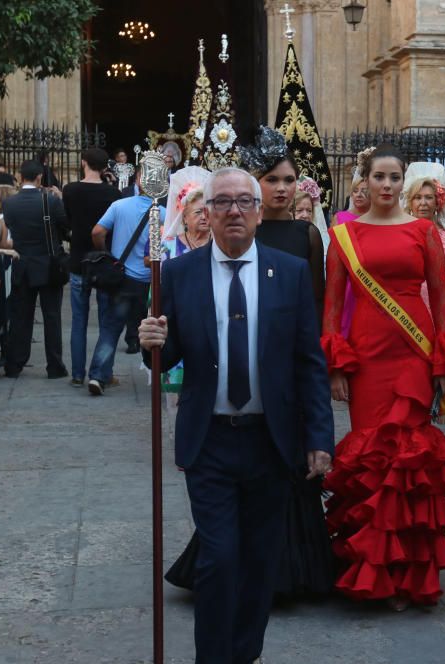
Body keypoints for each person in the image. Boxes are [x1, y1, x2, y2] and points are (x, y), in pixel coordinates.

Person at [138, 166, 333, 664]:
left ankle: (244, 654)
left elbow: (308, 361)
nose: (233, 212)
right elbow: (166, 351)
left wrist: (319, 437)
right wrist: (151, 344)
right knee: (220, 558)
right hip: (212, 440)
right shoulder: (181, 273)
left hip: (271, 439)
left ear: (258, 209)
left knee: (260, 562)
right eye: (221, 203)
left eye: (243, 202)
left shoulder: (286, 272)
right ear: (206, 211)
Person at [321, 145, 445, 610]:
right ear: (363, 181)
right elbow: (330, 308)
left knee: (408, 456)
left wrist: (443, 363)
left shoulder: (423, 231)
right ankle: (372, 569)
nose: (386, 185)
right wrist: (337, 367)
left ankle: (406, 574)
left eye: (394, 177)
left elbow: (441, 298)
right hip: (367, 357)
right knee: (371, 453)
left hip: (414, 350)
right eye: (379, 177)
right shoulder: (343, 237)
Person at [242, 126, 325, 322]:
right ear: (255, 182)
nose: (281, 188)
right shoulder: (244, 231)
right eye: (271, 180)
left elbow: (316, 299)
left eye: (289, 180)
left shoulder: (308, 234)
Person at [87, 168, 157, 395]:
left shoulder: (119, 206)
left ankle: (99, 375)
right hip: (149, 280)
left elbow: (97, 231)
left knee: (111, 328)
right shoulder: (163, 213)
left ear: (138, 180)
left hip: (122, 277)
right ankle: (159, 373)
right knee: (156, 328)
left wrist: (106, 253)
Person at [1, 160, 68, 379]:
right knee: (52, 316)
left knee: (21, 316)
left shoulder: (10, 203)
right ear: (40, 177)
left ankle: (15, 363)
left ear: (20, 177)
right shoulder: (50, 201)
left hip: (22, 264)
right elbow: (65, 229)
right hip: (48, 265)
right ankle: (54, 365)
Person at [62, 148, 122, 387]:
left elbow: (67, 219)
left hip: (78, 259)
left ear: (83, 162)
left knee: (79, 320)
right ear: (105, 167)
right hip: (103, 260)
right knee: (106, 320)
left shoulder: (70, 190)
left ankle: (77, 373)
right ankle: (102, 371)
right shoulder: (113, 194)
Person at [403, 169, 445, 337]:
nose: (423, 203)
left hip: (440, 310)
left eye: (428, 197)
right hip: (407, 311)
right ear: (410, 203)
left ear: (437, 202)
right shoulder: (400, 234)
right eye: (418, 197)